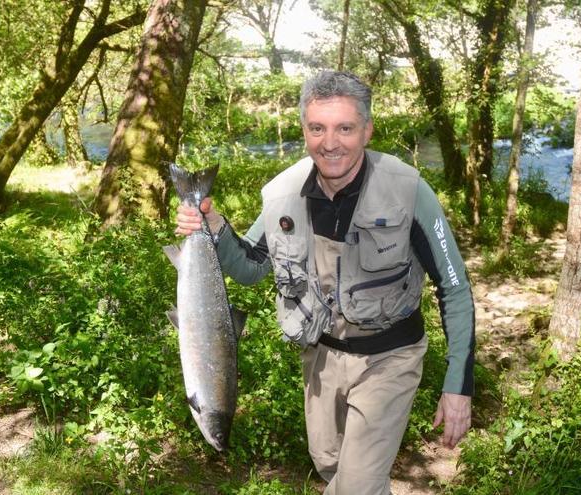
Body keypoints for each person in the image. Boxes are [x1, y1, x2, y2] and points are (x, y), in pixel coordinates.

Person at [175, 70, 475, 494]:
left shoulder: (409, 192)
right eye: (317, 128)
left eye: (345, 128)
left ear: (367, 130)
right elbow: (250, 268)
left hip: (390, 356)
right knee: (332, 467)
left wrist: (458, 385)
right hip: (320, 358)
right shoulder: (283, 193)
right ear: (304, 130)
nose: (330, 142)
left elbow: (455, 288)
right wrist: (215, 226)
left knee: (355, 487)